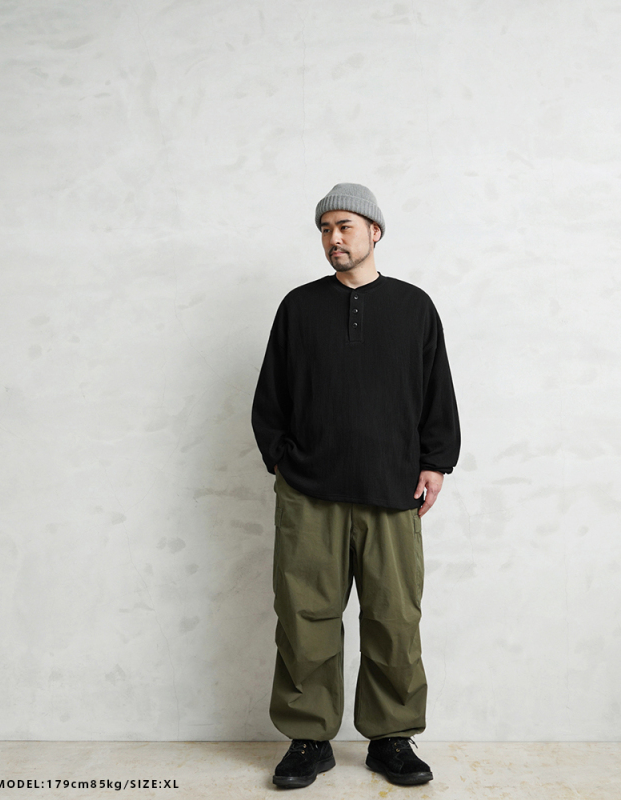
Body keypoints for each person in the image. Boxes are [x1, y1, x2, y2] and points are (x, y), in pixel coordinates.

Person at [251, 183, 461, 789]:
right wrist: (281, 460)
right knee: (304, 618)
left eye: (344, 226)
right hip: (309, 494)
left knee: (394, 618)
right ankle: (308, 739)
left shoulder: (414, 307)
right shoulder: (298, 307)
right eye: (325, 229)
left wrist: (436, 461)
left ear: (374, 231)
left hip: (392, 491)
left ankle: (392, 738)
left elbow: (437, 390)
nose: (333, 238)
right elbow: (271, 395)